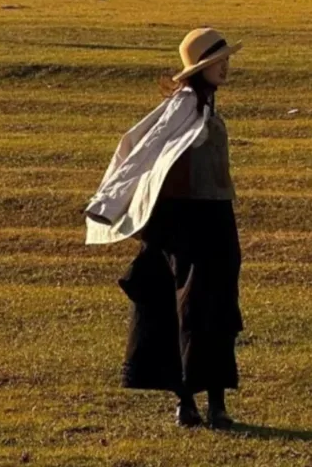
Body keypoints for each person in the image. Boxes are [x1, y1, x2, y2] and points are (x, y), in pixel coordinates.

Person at [86, 27, 243, 430]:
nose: (225, 67)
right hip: (185, 220)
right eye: (217, 62)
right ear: (200, 70)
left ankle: (216, 403)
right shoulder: (183, 104)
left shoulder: (207, 103)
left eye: (226, 60)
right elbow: (144, 151)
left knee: (218, 308)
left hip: (217, 216)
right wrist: (109, 201)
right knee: (187, 308)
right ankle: (189, 402)